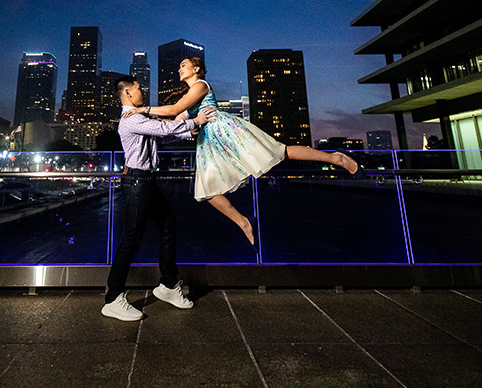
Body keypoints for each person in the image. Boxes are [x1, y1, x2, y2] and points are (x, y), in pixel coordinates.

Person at [124, 56, 358, 244]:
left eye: (183, 65)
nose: (179, 69)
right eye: (179, 67)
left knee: (280, 152)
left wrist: (143, 110)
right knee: (207, 191)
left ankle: (336, 158)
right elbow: (174, 121)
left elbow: (177, 108)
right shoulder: (189, 94)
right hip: (209, 142)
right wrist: (146, 121)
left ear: (197, 68)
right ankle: (243, 222)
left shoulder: (200, 86)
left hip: (228, 133)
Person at [102, 75, 217, 322]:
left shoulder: (140, 118)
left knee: (168, 226)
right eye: (138, 88)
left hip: (146, 181)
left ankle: (167, 285)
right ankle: (112, 298)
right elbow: (162, 128)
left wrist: (188, 132)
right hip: (136, 182)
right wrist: (193, 121)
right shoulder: (130, 118)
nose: (142, 90)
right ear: (128, 94)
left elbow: (160, 136)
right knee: (132, 239)